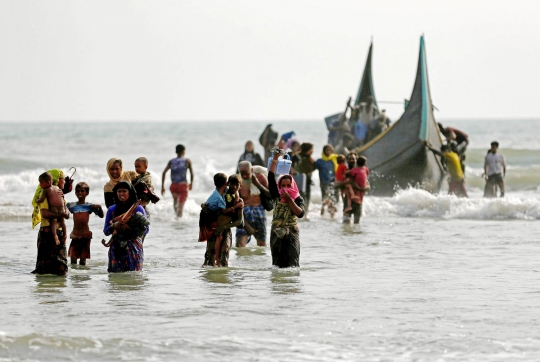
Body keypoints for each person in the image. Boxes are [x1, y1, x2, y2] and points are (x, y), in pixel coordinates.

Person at [268, 152, 305, 268]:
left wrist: (289, 200)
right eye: (282, 185)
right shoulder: (276, 195)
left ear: (292, 185)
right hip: (276, 233)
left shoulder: (297, 198)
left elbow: (300, 214)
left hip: (291, 233)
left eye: (288, 185)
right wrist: (275, 158)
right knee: (277, 265)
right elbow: (270, 176)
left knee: (292, 264)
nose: (285, 188)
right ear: (279, 186)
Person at [103, 181, 149, 272]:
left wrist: (129, 228)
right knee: (115, 278)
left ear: (130, 192)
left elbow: (146, 230)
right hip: (116, 248)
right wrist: (114, 226)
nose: (121, 194)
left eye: (124, 191)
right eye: (119, 191)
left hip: (133, 247)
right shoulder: (111, 210)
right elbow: (106, 231)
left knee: (133, 276)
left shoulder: (137, 208)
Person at [31, 169, 70, 275]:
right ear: (57, 180)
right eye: (63, 180)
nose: (64, 182)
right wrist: (60, 215)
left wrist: (65, 213)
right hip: (47, 233)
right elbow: (45, 214)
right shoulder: (45, 195)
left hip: (60, 233)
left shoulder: (60, 195)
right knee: (44, 269)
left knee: (62, 269)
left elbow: (67, 214)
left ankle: (55, 289)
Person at [200, 174, 244, 267]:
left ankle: (223, 279)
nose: (234, 187)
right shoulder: (221, 195)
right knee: (209, 258)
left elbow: (239, 221)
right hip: (214, 229)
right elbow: (209, 207)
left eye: (237, 185)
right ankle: (211, 281)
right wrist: (204, 207)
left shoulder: (239, 202)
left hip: (226, 230)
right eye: (232, 184)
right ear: (227, 184)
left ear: (240, 186)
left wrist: (224, 227)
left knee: (224, 257)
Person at [66, 182, 104, 265]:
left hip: (85, 236)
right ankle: (74, 276)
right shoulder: (71, 205)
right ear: (75, 193)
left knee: (83, 261)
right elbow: (62, 208)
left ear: (87, 193)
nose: (80, 193)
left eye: (82, 191)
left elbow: (101, 216)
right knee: (73, 261)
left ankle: (83, 277)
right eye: (78, 191)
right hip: (75, 235)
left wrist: (100, 207)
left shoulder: (90, 206)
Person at [236, 161, 270, 247]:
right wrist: (247, 226)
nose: (244, 176)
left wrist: (258, 184)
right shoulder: (237, 182)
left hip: (259, 212)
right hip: (244, 214)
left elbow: (271, 195)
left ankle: (259, 261)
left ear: (251, 170)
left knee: (261, 244)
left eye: (246, 174)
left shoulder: (260, 177)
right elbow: (237, 206)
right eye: (242, 173)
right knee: (240, 245)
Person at [35, 172, 67, 246]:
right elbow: (61, 199)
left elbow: (41, 199)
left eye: (41, 183)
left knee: (53, 223)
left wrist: (37, 200)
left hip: (54, 209)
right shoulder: (58, 189)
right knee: (63, 222)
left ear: (48, 182)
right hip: (62, 209)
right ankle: (65, 234)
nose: (40, 185)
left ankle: (55, 236)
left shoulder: (46, 190)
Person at [337, 153, 371, 224]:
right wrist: (346, 183)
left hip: (358, 201)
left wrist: (359, 188)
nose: (352, 160)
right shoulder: (343, 171)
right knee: (346, 224)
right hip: (347, 201)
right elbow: (336, 185)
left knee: (357, 225)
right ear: (347, 160)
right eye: (350, 159)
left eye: (353, 159)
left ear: (356, 160)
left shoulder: (362, 172)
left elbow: (368, 187)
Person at [161, 144, 194, 217]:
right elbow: (191, 173)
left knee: (175, 201)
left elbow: (164, 173)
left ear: (176, 151)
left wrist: (162, 187)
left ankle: (176, 217)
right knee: (181, 207)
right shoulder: (187, 161)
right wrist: (191, 183)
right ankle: (179, 223)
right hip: (183, 186)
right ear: (183, 152)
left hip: (173, 186)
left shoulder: (171, 161)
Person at [313, 144, 339, 217]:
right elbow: (311, 168)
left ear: (332, 151)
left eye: (330, 150)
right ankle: (323, 211)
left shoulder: (335, 159)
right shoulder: (320, 161)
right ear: (324, 151)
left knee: (334, 199)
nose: (328, 151)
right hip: (324, 183)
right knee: (326, 198)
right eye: (326, 150)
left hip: (334, 183)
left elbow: (340, 170)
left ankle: (331, 216)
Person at [292, 142, 314, 216]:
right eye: (311, 149)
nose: (312, 151)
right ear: (307, 150)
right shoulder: (296, 157)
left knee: (307, 198)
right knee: (299, 197)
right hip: (299, 181)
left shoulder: (310, 158)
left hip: (307, 181)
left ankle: (305, 214)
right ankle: (298, 214)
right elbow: (292, 168)